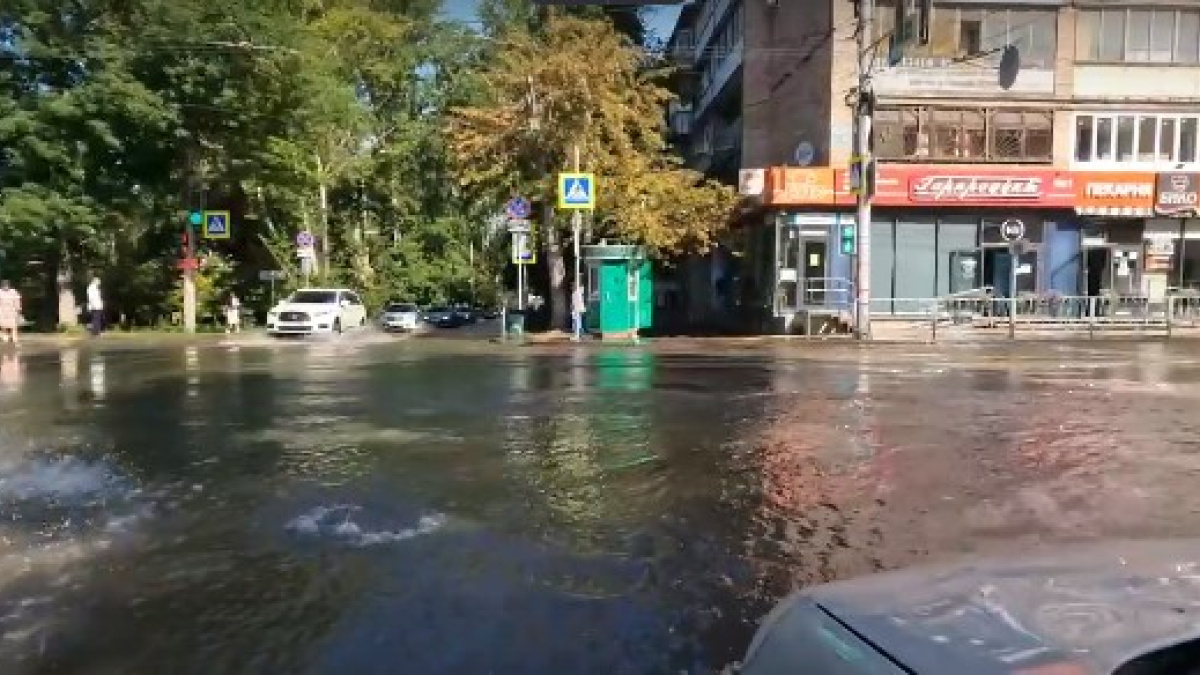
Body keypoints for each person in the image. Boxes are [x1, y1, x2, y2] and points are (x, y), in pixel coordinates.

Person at [0, 280, 22, 345]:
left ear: (9, 285)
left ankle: (15, 339)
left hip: (12, 310)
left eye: (7, 285)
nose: (5, 287)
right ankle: (5, 338)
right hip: (2, 311)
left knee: (13, 326)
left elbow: (17, 300)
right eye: (4, 285)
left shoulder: (13, 291)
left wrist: (18, 309)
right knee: (3, 326)